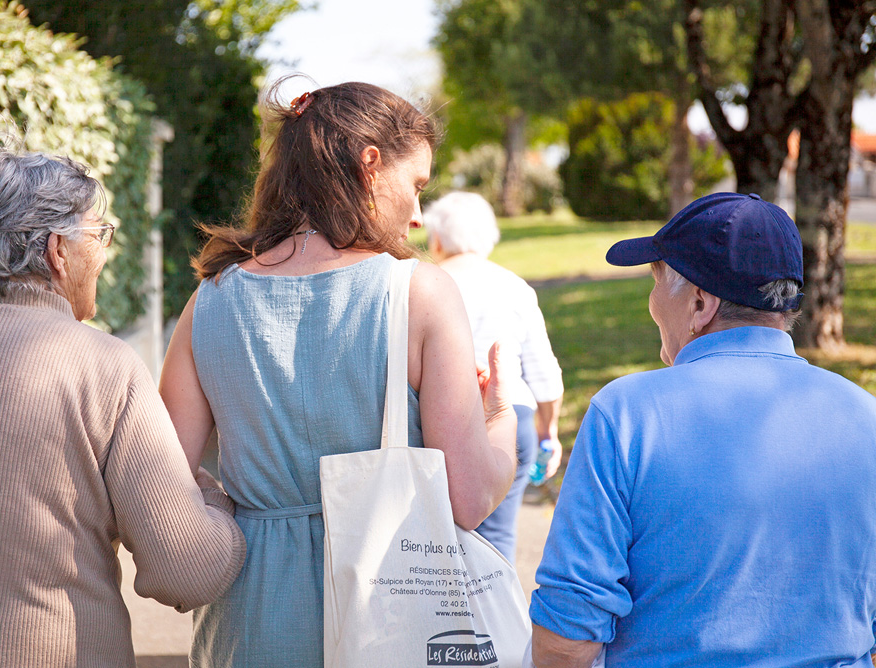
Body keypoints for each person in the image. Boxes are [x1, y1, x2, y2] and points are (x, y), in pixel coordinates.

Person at [159, 81, 518, 668]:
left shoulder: (211, 300)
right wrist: (500, 419)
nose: (419, 215)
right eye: (417, 185)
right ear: (370, 165)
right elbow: (470, 497)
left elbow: (162, 480)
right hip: (390, 615)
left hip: (248, 624)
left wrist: (234, 506)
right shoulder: (419, 293)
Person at [0, 142, 246, 668]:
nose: (105, 253)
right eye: (98, 235)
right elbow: (187, 571)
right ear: (57, 251)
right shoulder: (104, 368)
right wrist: (213, 502)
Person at [527, 192, 876, 667]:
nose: (651, 302)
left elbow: (567, 639)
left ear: (699, 303)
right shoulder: (865, 416)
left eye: (656, 282)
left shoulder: (626, 414)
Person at [424, 191, 564, 561]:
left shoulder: (424, 285)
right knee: (497, 538)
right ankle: (499, 599)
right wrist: (548, 432)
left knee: (435, 542)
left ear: (437, 240)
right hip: (512, 416)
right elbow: (544, 373)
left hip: (440, 418)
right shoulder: (514, 287)